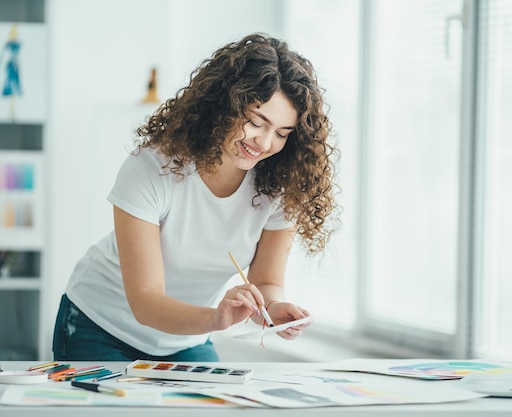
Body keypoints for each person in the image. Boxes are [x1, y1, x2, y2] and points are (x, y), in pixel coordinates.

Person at [52, 33, 338, 361]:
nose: (265, 142)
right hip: (100, 325)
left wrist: (274, 308)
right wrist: (216, 318)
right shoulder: (152, 168)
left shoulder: (279, 187)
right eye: (257, 122)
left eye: (282, 133)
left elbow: (267, 281)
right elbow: (146, 302)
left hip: (184, 336)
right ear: (225, 106)